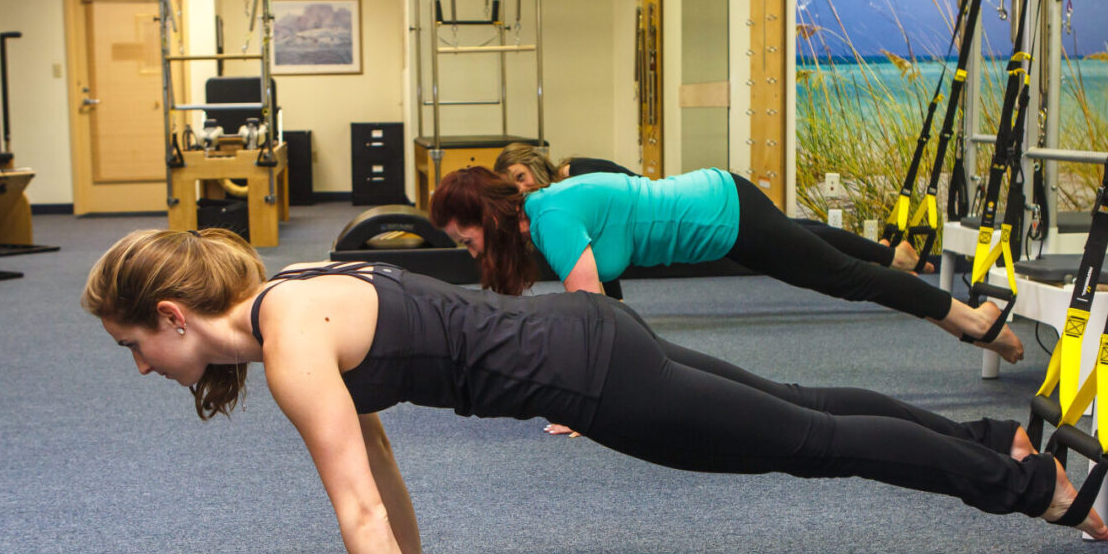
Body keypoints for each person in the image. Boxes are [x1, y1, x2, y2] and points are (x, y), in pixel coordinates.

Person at [83, 228, 1107, 554]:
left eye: (137, 345)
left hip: (594, 380)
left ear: (173, 317)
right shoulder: (292, 288)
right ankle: (993, 443)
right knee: (802, 414)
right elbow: (379, 453)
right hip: (587, 330)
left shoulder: (292, 342)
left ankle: (1035, 492)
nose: (140, 367)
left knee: (810, 445)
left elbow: (352, 496)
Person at [430, 166, 1021, 363]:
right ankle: (897, 256)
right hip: (720, 215)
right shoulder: (542, 219)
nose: (469, 251)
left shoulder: (552, 218)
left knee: (842, 280)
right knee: (804, 244)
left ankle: (970, 320)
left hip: (722, 213)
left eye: (466, 239)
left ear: (486, 216)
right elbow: (607, 294)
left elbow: (591, 315)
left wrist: (583, 400)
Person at [492, 142, 930, 273]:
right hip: (700, 216)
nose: (522, 187)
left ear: (533, 164)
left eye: (520, 175)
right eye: (513, 186)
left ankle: (893, 257)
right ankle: (890, 256)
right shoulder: (548, 215)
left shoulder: (575, 174)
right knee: (800, 234)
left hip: (705, 207)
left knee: (806, 241)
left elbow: (635, 188)